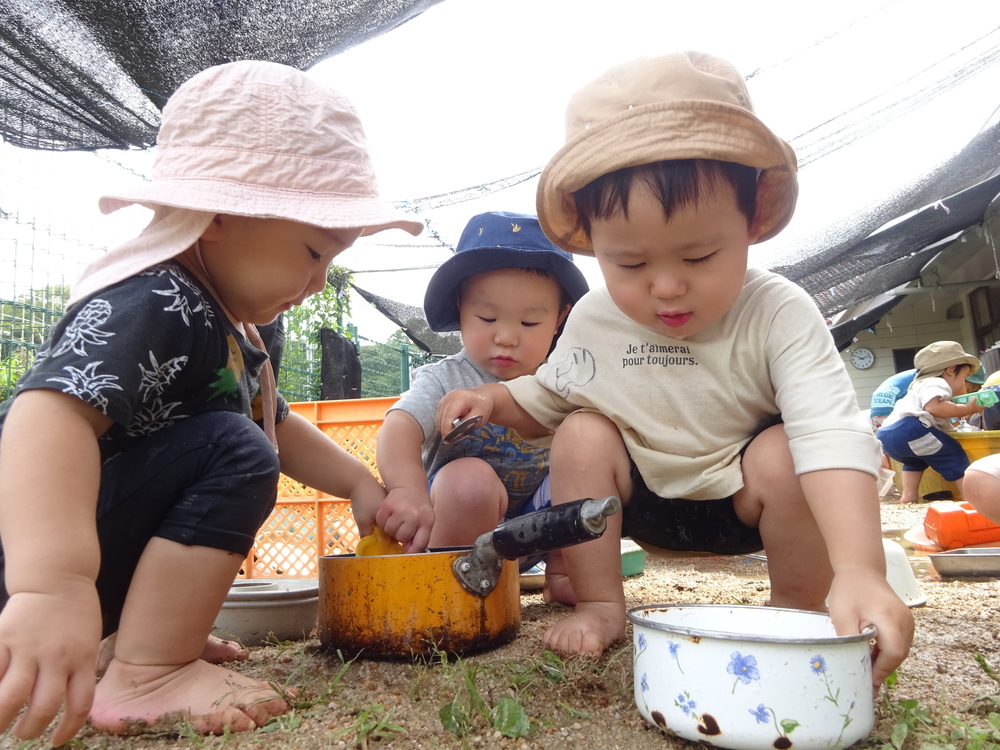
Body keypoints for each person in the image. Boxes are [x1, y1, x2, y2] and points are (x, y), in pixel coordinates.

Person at [436, 51, 914, 687]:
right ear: (592, 241)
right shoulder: (597, 318)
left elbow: (831, 435)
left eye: (700, 254)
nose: (665, 287)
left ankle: (800, 609)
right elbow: (548, 398)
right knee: (582, 431)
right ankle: (604, 603)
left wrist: (860, 568)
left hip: (742, 499)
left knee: (783, 451)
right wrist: (495, 402)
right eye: (629, 265)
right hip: (631, 502)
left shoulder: (777, 311)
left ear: (753, 217)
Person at [0, 60, 422, 743]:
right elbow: (47, 413)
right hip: (33, 566)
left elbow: (275, 423)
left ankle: (138, 645)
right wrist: (51, 588)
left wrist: (357, 485)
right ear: (221, 213)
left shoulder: (233, 324)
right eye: (313, 251)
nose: (318, 282)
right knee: (232, 447)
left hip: (83, 562)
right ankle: (149, 673)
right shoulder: (157, 297)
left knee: (238, 437)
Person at [375, 211, 588, 553]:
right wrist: (406, 490)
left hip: (534, 529)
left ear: (561, 317)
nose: (505, 337)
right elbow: (399, 426)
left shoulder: (564, 379)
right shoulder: (446, 378)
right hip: (456, 521)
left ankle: (567, 574)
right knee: (468, 483)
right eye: (487, 317)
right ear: (460, 307)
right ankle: (458, 585)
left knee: (588, 457)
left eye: (530, 322)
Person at [877, 342, 986, 504]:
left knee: (915, 461)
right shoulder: (937, 382)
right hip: (910, 429)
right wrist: (966, 409)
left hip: (887, 436)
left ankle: (908, 496)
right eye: (964, 378)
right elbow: (933, 407)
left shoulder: (918, 387)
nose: (964, 386)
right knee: (953, 452)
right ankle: (969, 498)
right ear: (950, 370)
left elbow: (938, 422)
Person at [870, 366, 985, 430]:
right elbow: (936, 409)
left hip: (878, 411)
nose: (966, 393)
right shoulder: (936, 381)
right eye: (968, 389)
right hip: (893, 411)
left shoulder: (928, 374)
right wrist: (966, 409)